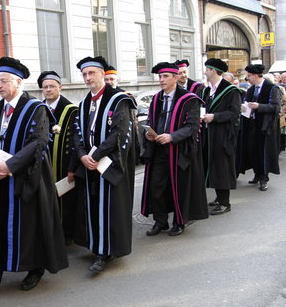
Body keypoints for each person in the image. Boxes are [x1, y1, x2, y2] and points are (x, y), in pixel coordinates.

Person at [0, 57, 68, 293]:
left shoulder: (35, 109)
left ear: (18, 82)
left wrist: (10, 166)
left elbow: (39, 142)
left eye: (4, 81)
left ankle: (35, 269)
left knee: (30, 226)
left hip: (26, 178)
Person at [71, 56, 136, 273]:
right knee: (92, 207)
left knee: (109, 208)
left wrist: (96, 155)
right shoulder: (83, 104)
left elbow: (120, 132)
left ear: (102, 74)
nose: (88, 77)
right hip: (89, 165)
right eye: (84, 74)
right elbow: (77, 135)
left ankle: (106, 251)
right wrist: (82, 156)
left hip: (109, 164)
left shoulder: (118, 100)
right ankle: (96, 246)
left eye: (92, 73)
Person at [141, 62, 208, 236]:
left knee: (178, 188)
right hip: (158, 151)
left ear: (176, 78)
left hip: (179, 152)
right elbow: (151, 121)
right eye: (160, 77)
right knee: (156, 188)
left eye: (165, 77)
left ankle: (179, 222)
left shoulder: (189, 99)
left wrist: (171, 136)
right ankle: (160, 221)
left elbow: (192, 127)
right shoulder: (157, 99)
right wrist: (150, 133)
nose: (161, 80)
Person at [37, 70, 78, 244]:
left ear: (60, 87)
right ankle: (49, 232)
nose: (48, 90)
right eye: (45, 87)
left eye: (52, 86)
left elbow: (77, 141)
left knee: (65, 201)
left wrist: (72, 167)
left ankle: (66, 234)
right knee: (45, 198)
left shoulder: (70, 110)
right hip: (43, 164)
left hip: (63, 165)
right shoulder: (38, 109)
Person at [201, 59, 241, 215]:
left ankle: (225, 202)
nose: (205, 72)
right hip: (208, 135)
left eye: (207, 69)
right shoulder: (206, 90)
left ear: (213, 70)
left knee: (222, 167)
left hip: (223, 136)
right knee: (213, 167)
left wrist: (214, 117)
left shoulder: (231, 91)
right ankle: (219, 197)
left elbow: (234, 113)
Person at [236, 64, 282, 191]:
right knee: (252, 151)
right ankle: (257, 173)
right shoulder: (250, 90)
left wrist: (259, 106)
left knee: (263, 152)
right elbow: (247, 106)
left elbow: (276, 107)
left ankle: (263, 178)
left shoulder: (272, 88)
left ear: (256, 76)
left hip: (265, 127)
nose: (247, 78)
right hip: (251, 126)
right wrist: (244, 108)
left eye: (249, 76)